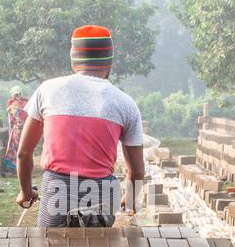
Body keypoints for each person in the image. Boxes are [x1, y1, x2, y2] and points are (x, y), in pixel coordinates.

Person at [16, 25, 145, 228]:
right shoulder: (125, 103)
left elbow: (23, 153)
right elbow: (136, 171)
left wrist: (25, 191)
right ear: (109, 62)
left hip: (55, 194)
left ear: (73, 59)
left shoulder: (47, 90)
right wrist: (129, 199)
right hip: (102, 196)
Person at [3, 87, 28, 173]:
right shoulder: (27, 103)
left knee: (16, 148)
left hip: (18, 129)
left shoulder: (12, 105)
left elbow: (11, 121)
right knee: (25, 148)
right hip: (27, 129)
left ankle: (15, 167)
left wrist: (11, 131)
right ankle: (24, 167)